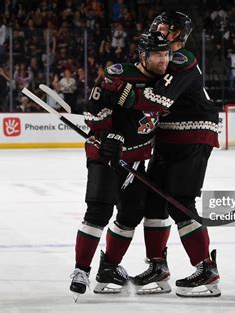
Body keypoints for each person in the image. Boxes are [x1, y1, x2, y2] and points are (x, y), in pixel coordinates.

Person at [102, 11, 221, 298]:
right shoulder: (160, 60)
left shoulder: (181, 60)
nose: (160, 31)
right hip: (167, 137)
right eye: (158, 26)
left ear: (179, 35)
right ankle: (158, 266)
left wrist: (122, 93)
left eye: (166, 28)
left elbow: (158, 100)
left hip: (194, 134)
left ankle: (207, 270)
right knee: (154, 200)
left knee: (180, 200)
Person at [69, 31, 171, 300]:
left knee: (131, 214)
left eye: (166, 54)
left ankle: (109, 269)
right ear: (143, 56)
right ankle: (81, 270)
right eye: (158, 55)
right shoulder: (119, 74)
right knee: (98, 211)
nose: (164, 60)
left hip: (136, 161)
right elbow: (92, 110)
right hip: (106, 155)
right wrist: (106, 134)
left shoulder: (167, 81)